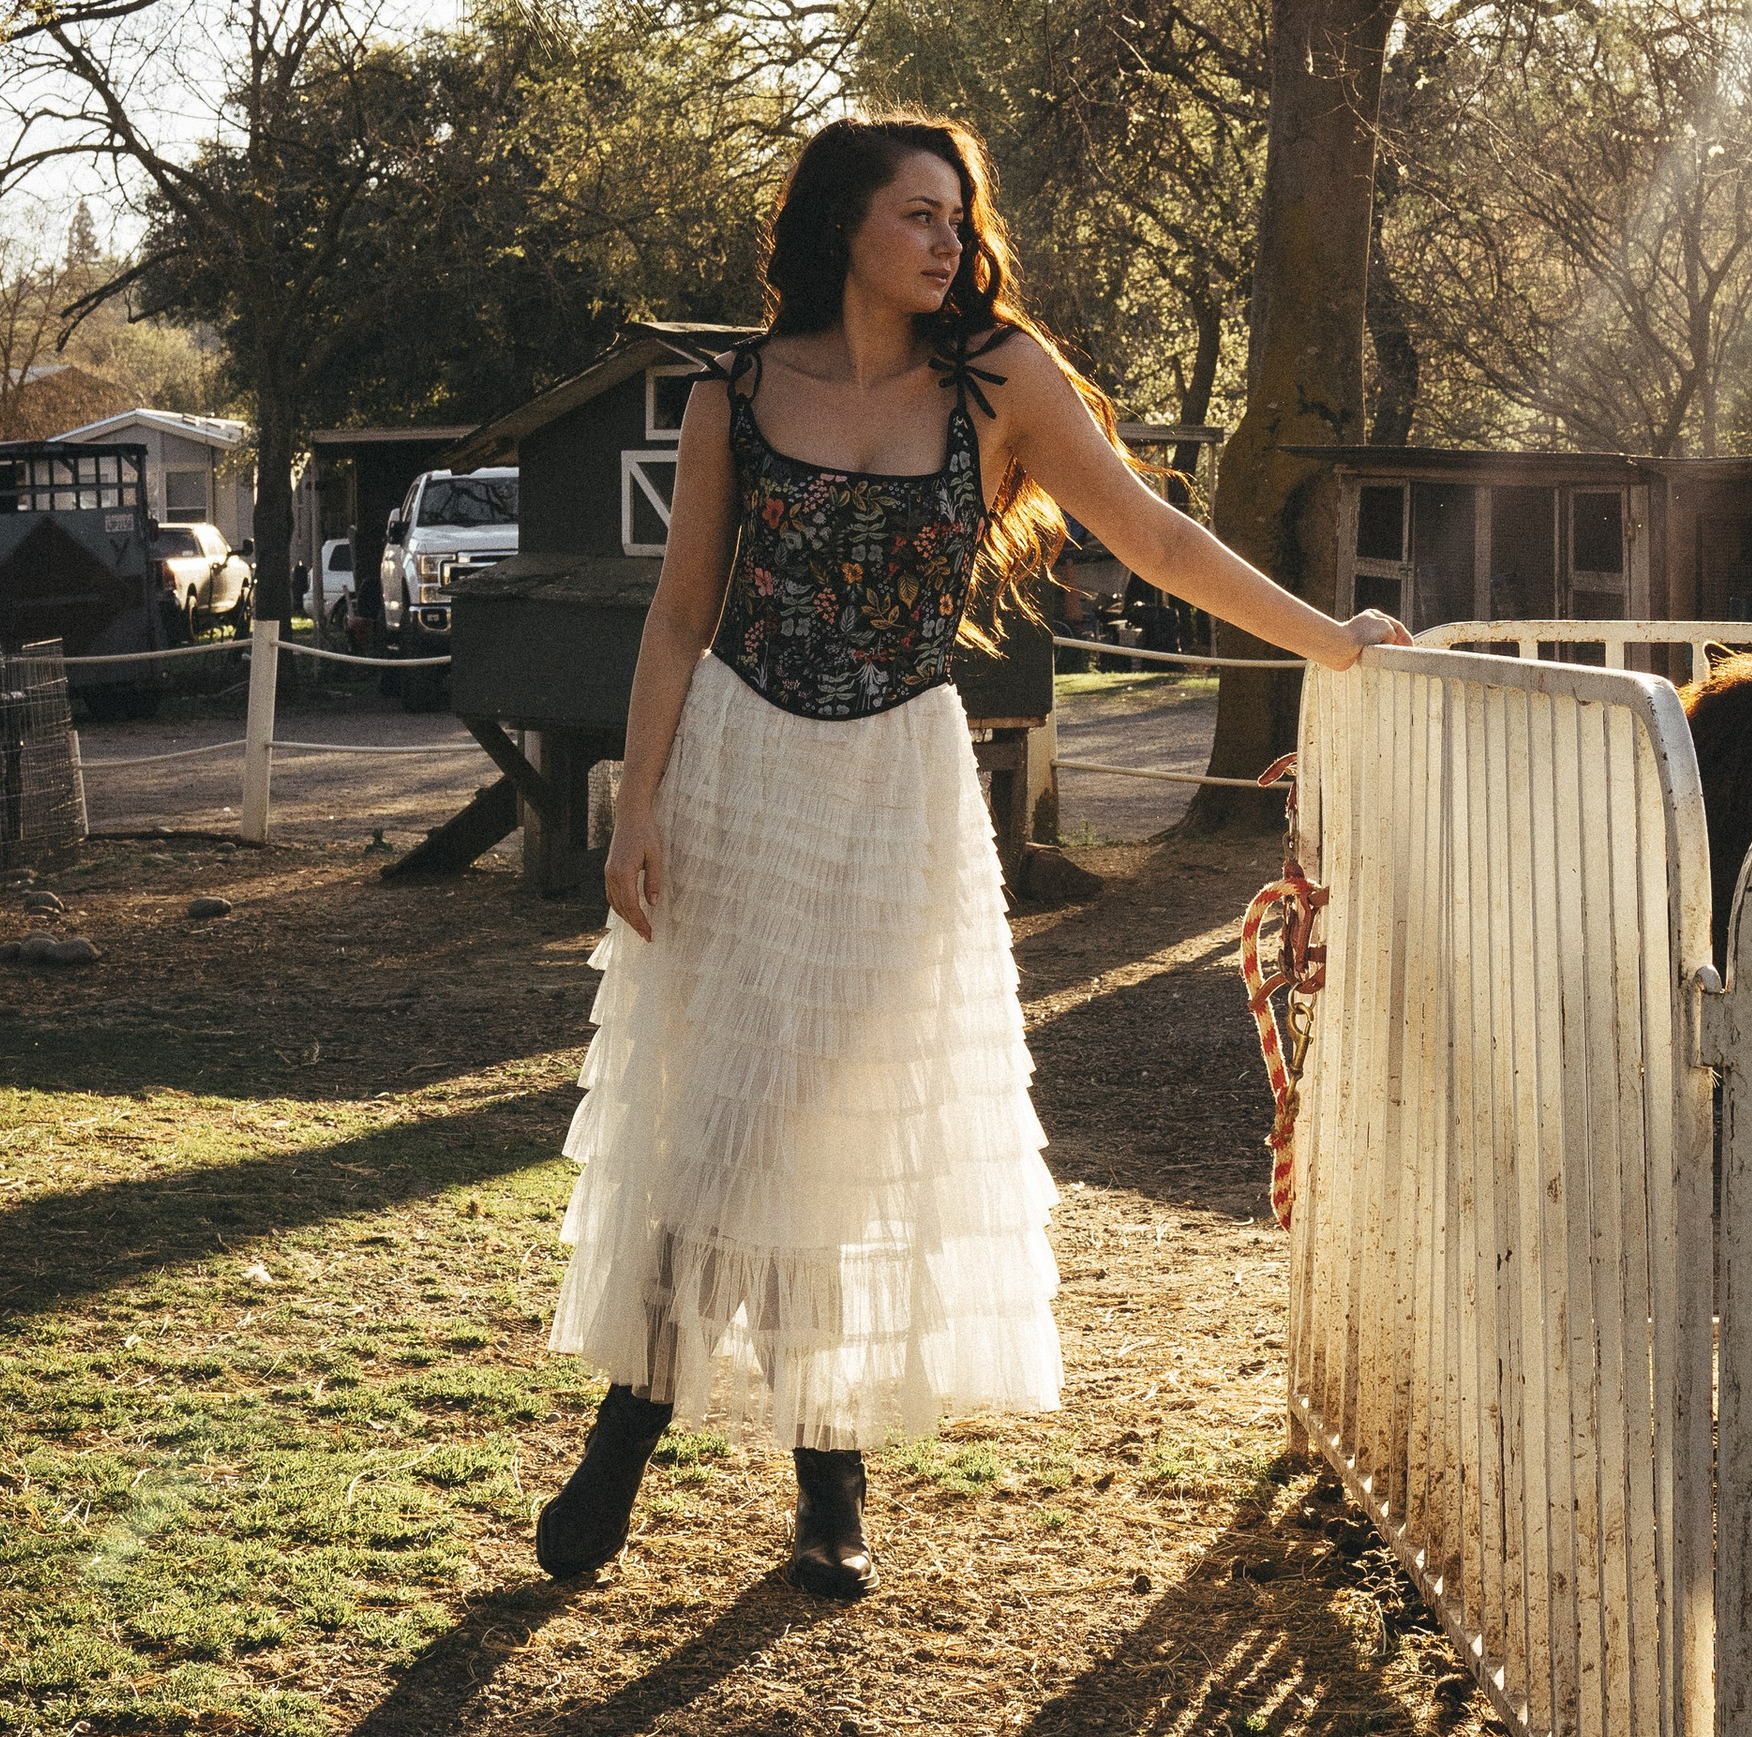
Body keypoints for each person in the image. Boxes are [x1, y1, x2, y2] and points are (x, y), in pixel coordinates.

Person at [533, 114, 1408, 1599]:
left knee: (836, 1110)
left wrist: (1329, 641)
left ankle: (818, 1469)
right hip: (743, 764)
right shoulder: (732, 393)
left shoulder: (1004, 379)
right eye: (919, 218)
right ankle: (646, 1421)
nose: (950, 242)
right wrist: (640, 806)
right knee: (718, 1107)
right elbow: (679, 616)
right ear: (844, 230)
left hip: (897, 783)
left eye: (958, 218)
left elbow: (1152, 538)